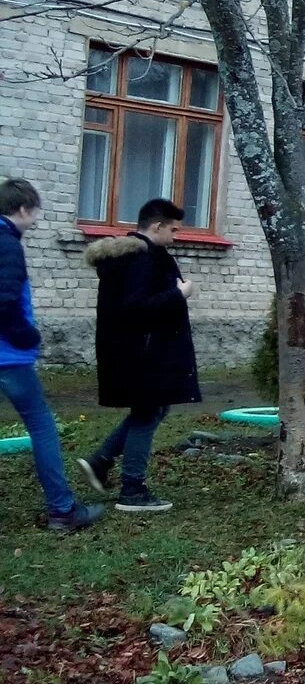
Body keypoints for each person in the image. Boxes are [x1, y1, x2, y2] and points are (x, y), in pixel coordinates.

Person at [79, 198, 199, 513]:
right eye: (173, 230)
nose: (175, 236)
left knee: (155, 411)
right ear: (156, 226)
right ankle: (132, 489)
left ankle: (101, 461)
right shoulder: (142, 259)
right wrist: (179, 294)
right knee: (148, 414)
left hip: (136, 351)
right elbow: (135, 308)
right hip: (143, 352)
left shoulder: (134, 255)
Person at [0, 178, 105, 532]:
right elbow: (5, 301)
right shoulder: (7, 245)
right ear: (24, 209)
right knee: (42, 426)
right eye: (35, 213)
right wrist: (26, 335)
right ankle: (63, 510)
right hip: (9, 357)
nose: (35, 221)